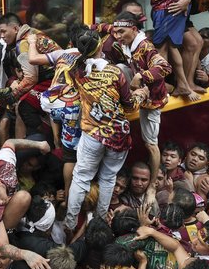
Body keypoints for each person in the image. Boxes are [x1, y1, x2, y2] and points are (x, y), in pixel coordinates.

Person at [63, 30, 148, 232]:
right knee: (108, 178)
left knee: (81, 177)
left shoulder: (75, 69)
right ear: (100, 47)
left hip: (92, 133)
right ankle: (100, 222)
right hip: (117, 135)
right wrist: (141, 94)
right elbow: (129, 106)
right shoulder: (115, 73)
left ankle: (70, 224)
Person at [112, 9, 172, 197]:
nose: (117, 36)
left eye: (121, 32)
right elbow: (106, 28)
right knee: (119, 68)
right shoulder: (127, 41)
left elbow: (165, 67)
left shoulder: (145, 46)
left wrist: (141, 75)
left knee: (150, 145)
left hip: (152, 100)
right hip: (138, 90)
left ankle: (153, 186)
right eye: (115, 32)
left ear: (134, 29)